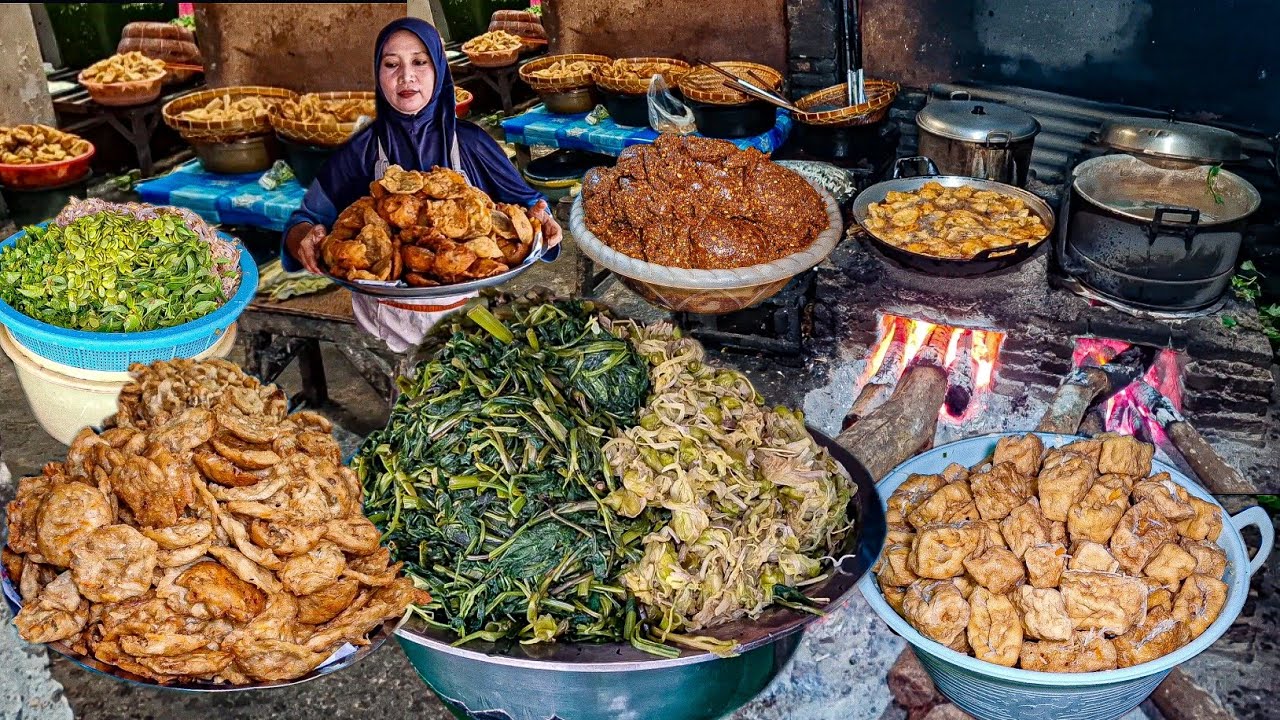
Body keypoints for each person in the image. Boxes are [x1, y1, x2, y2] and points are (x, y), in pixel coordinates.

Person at [282, 18, 562, 352]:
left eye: (420, 62)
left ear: (439, 69)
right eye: (391, 64)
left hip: (467, 316)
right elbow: (304, 220)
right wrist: (305, 239)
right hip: (381, 323)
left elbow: (529, 205)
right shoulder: (360, 150)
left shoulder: (471, 142)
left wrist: (544, 221)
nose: (406, 76)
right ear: (377, 73)